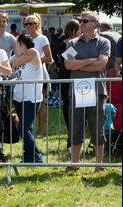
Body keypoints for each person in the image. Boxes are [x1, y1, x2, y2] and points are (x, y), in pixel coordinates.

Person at [64, 11, 111, 172]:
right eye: (80, 21)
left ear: (94, 24)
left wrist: (80, 63)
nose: (81, 23)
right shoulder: (71, 43)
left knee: (97, 127)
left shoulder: (104, 42)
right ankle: (75, 163)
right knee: (76, 127)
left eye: (85, 21)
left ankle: (99, 165)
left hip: (97, 90)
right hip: (77, 90)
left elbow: (100, 65)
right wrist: (92, 60)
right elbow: (68, 65)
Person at [12, 34, 44, 163]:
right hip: (19, 97)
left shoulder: (32, 52)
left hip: (31, 97)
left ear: (19, 43)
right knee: (27, 129)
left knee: (23, 129)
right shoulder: (23, 56)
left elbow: (14, 63)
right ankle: (28, 156)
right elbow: (20, 77)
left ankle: (37, 157)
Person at [24, 14, 53, 138]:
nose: (29, 26)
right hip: (26, 74)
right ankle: (27, 129)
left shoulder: (42, 39)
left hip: (40, 74)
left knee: (41, 102)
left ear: (37, 24)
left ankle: (40, 131)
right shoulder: (24, 38)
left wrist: (34, 60)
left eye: (31, 23)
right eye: (27, 23)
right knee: (27, 101)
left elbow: (49, 58)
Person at [56, 19, 81, 153]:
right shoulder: (63, 45)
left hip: (79, 79)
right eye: (78, 29)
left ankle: (77, 140)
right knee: (68, 108)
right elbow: (69, 63)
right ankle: (70, 141)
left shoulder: (81, 43)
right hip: (67, 80)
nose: (80, 31)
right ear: (72, 30)